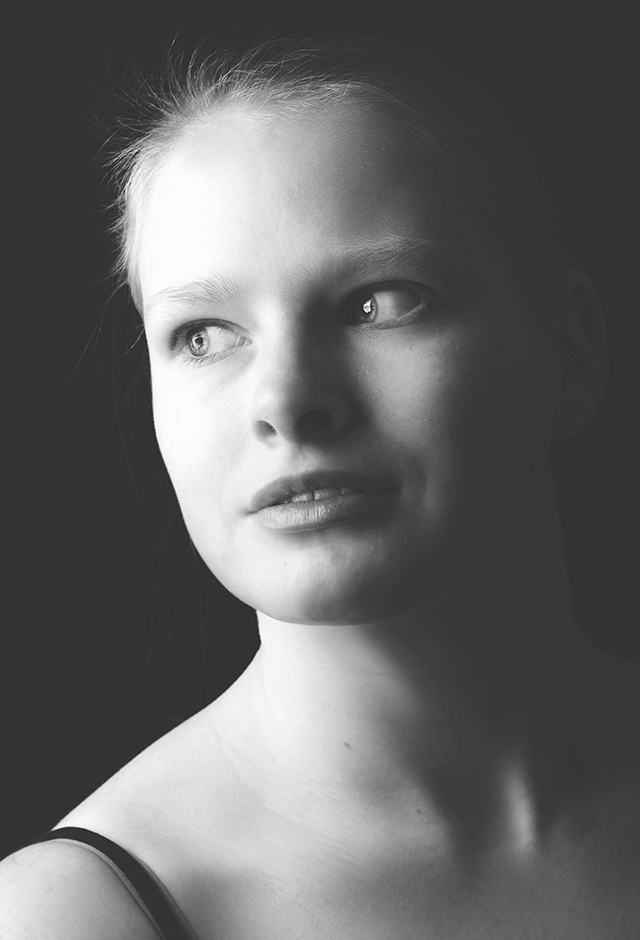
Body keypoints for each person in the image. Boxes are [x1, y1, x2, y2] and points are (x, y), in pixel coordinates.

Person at [2, 33, 638, 939]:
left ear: (569, 352)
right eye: (203, 335)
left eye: (379, 302)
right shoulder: (75, 918)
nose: (287, 403)